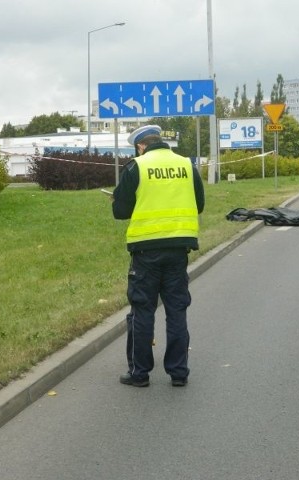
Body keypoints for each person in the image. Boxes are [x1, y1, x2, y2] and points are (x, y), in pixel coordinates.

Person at [112, 125, 205, 387]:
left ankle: (140, 374)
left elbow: (120, 211)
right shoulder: (186, 165)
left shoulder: (136, 166)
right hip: (178, 249)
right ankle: (178, 373)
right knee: (176, 310)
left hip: (145, 251)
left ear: (140, 146)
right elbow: (199, 204)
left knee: (143, 310)